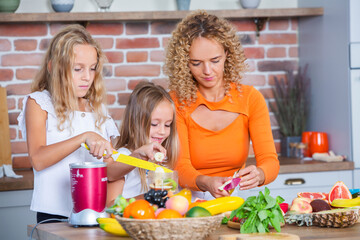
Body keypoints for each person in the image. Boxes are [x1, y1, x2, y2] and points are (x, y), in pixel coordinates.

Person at [164, 10, 280, 200]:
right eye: (196, 63)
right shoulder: (176, 102)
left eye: (215, 60)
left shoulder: (251, 98)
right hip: (190, 198)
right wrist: (207, 182)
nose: (207, 71)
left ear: (227, 54)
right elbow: (181, 169)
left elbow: (270, 161)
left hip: (239, 195)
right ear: (184, 63)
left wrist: (260, 174)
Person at [17, 24, 120, 223]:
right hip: (54, 216)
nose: (87, 77)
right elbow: (38, 159)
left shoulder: (98, 110)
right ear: (53, 67)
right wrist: (84, 137)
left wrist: (137, 155)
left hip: (96, 215)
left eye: (92, 68)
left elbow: (110, 168)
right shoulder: (39, 103)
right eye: (77, 69)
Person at [105, 81, 179, 206]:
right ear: (136, 122)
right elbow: (111, 204)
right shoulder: (123, 157)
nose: (162, 131)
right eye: (154, 124)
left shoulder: (161, 160)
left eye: (167, 125)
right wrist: (149, 198)